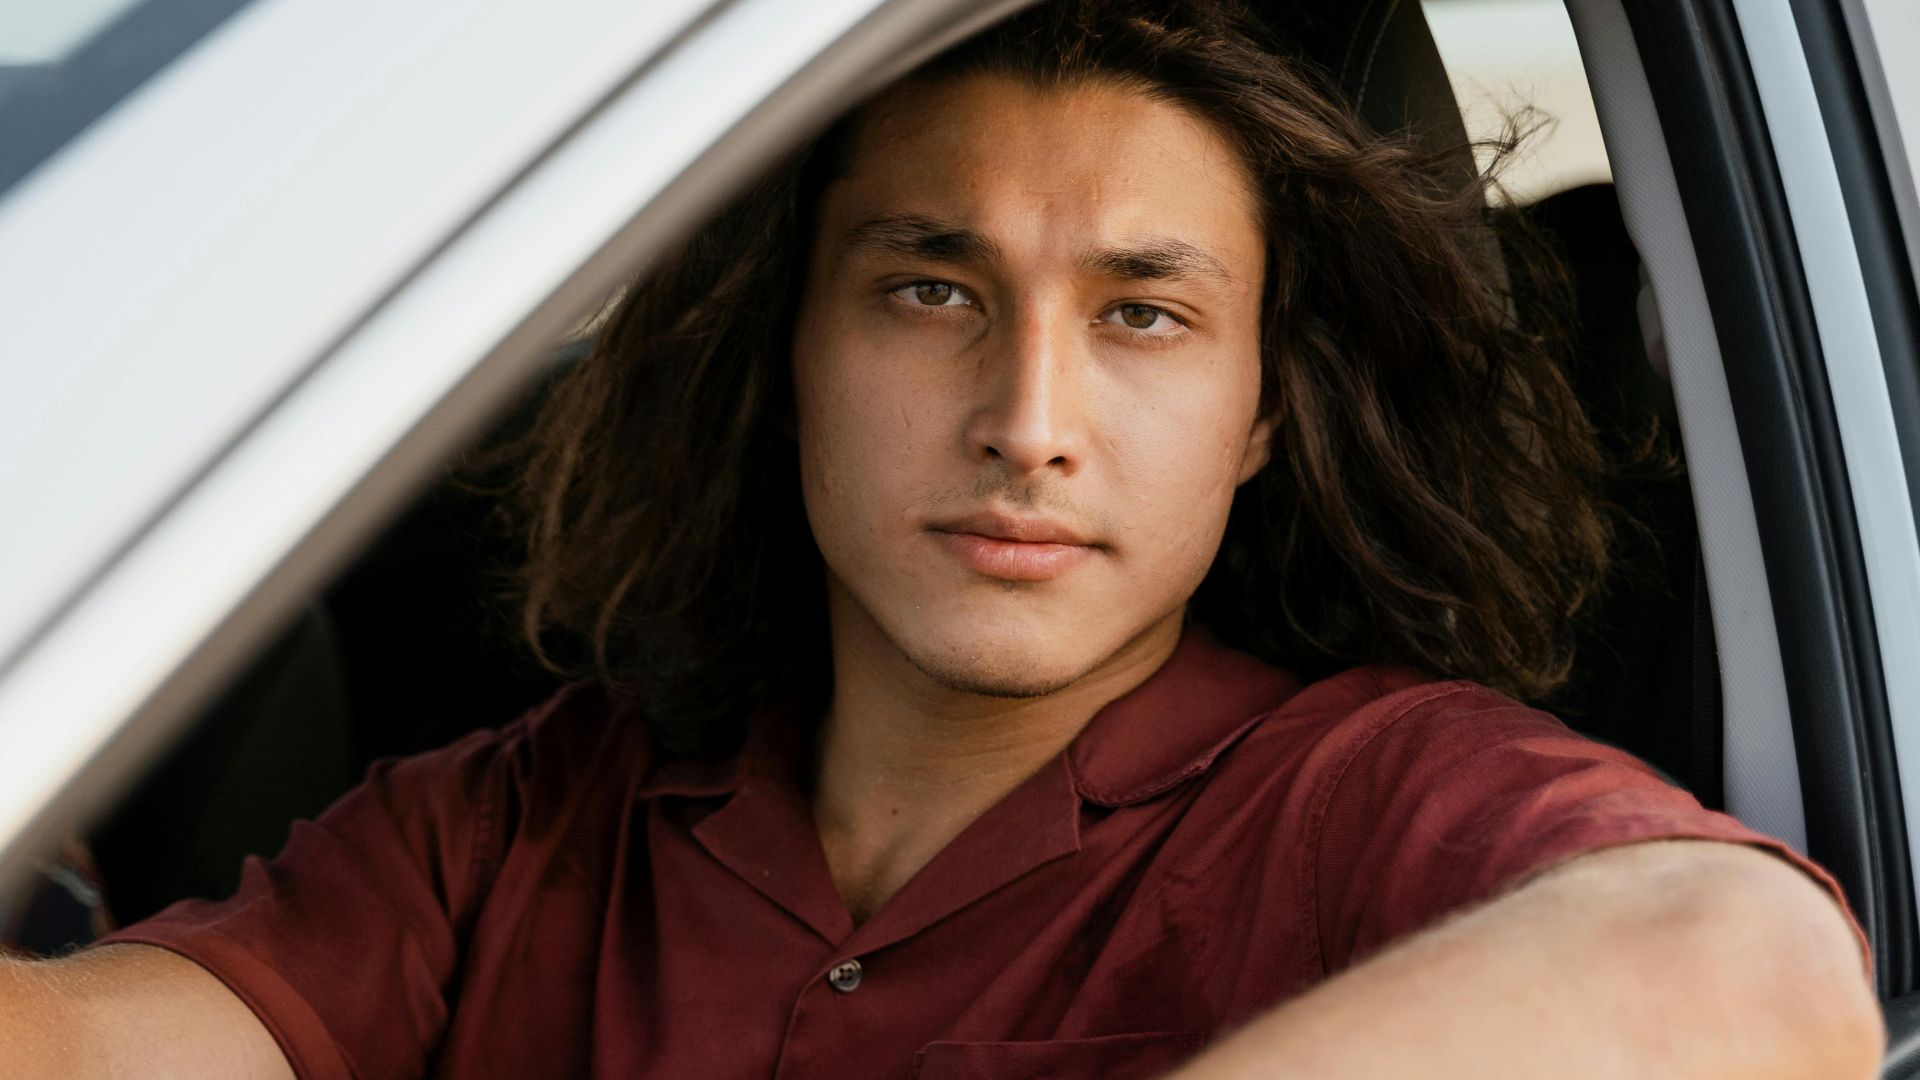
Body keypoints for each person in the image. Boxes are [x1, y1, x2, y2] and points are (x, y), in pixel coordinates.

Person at [0, 1, 1883, 1076]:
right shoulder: (526, 821)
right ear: (788, 356)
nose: (1028, 422)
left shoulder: (1358, 796)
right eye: (928, 291)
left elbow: (1745, 972)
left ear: (1260, 422)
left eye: (1143, 315)